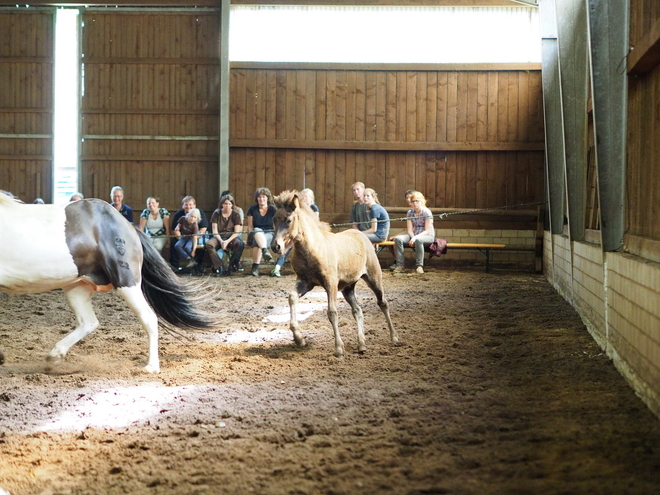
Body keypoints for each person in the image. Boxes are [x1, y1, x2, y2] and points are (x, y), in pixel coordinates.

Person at [271, 188, 319, 277]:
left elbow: (316, 221)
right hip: (295, 233)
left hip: (308, 235)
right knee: (286, 247)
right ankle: (277, 267)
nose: (305, 198)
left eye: (307, 196)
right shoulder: (295, 210)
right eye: (303, 196)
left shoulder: (313, 207)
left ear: (311, 198)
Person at [390, 191, 435, 274]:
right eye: (413, 201)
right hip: (413, 234)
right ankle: (400, 265)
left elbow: (427, 231)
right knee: (398, 239)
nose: (415, 203)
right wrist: (412, 236)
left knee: (419, 240)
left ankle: (419, 266)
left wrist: (415, 238)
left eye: (417, 201)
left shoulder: (426, 212)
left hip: (426, 235)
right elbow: (409, 229)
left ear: (422, 201)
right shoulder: (410, 212)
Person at [206, 193, 245, 276]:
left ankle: (232, 265)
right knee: (209, 244)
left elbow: (237, 232)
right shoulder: (216, 213)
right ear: (222, 204)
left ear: (232, 205)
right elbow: (214, 230)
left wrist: (227, 241)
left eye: (229, 204)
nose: (227, 206)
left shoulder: (235, 214)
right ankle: (219, 266)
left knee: (240, 244)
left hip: (231, 237)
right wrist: (221, 241)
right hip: (218, 237)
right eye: (225, 204)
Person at [170, 195, 209, 271]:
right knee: (174, 243)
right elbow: (175, 230)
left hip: (196, 236)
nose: (188, 207)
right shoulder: (179, 215)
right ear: (183, 206)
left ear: (194, 205)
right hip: (182, 237)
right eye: (186, 204)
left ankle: (198, 266)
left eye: (190, 204)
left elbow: (203, 229)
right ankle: (175, 267)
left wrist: (194, 238)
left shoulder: (199, 213)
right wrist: (180, 238)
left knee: (200, 246)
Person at [247, 187, 276, 277]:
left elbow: (275, 226)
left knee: (257, 242)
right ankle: (264, 250)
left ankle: (255, 268)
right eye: (259, 197)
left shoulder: (273, 209)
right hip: (256, 233)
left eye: (264, 197)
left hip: (269, 233)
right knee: (256, 231)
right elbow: (250, 226)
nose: (261, 199)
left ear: (268, 198)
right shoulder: (252, 209)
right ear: (256, 199)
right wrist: (249, 238)